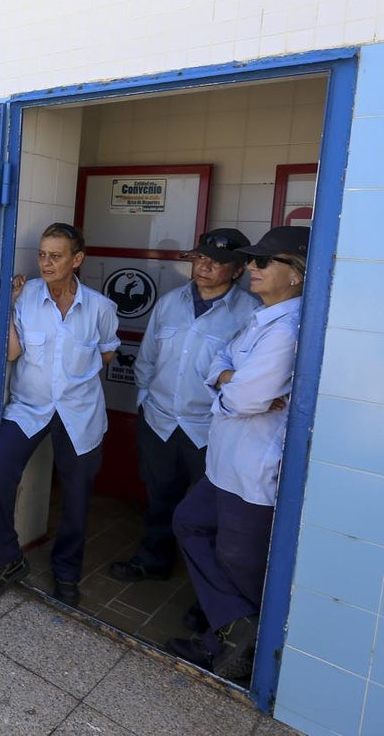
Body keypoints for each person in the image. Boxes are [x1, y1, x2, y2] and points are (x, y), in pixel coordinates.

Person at [167, 226, 309, 681]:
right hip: (223, 463)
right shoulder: (263, 317)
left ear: (296, 274)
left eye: (263, 261)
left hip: (251, 472)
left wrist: (233, 387)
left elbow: (243, 398)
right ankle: (233, 629)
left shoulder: (288, 329)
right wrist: (231, 381)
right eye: (251, 259)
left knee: (239, 564)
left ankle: (237, 652)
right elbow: (219, 368)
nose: (252, 267)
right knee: (189, 523)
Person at [0, 222, 120, 606]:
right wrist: (8, 305)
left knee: (76, 497)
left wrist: (74, 376)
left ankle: (66, 573)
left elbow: (107, 353)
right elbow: (12, 352)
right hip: (29, 407)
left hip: (80, 413)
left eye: (55, 256)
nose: (46, 263)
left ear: (77, 260)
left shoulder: (100, 308)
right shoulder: (25, 297)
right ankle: (6, 559)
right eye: (42, 255)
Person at [108, 229, 260, 583]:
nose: (204, 266)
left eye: (217, 261)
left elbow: (248, 379)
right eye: (200, 258)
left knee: (212, 513)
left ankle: (207, 593)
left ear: (238, 269)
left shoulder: (250, 314)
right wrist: (145, 401)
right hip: (159, 421)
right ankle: (153, 561)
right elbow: (147, 358)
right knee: (159, 497)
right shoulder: (170, 302)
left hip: (210, 429)